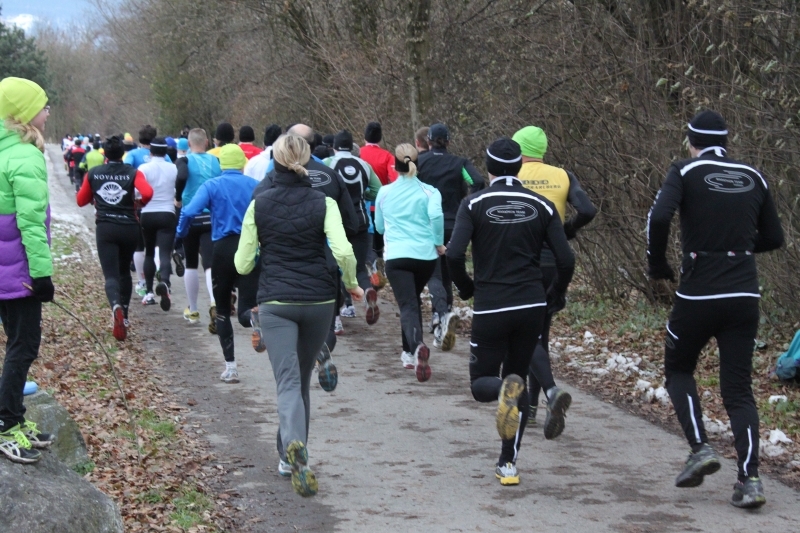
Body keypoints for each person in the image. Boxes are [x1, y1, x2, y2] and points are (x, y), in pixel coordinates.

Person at [647, 110, 783, 509]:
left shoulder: (684, 171)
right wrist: (737, 251)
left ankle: (701, 448)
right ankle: (751, 480)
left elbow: (659, 216)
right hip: (744, 295)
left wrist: (658, 266)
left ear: (692, 141)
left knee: (678, 369)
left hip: (698, 293)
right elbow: (774, 237)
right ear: (727, 141)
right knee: (739, 391)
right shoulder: (753, 175)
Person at [234, 133, 362, 497]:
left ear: (274, 160)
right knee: (302, 379)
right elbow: (344, 250)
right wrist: (351, 283)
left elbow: (242, 264)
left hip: (276, 301)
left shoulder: (259, 203)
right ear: (307, 161)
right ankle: (290, 452)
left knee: (288, 382)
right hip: (319, 300)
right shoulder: (324, 202)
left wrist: (264, 253)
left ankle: (291, 452)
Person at [447, 138, 574, 486]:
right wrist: (555, 293)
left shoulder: (473, 203)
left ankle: (505, 392)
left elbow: (455, 255)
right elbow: (566, 259)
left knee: (481, 385)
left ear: (487, 169)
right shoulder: (542, 204)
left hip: (492, 304)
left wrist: (467, 288)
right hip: (531, 303)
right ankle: (508, 465)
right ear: (519, 168)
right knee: (518, 375)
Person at [511, 125, 597, 438]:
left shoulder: (513, 176)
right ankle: (533, 407)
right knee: (539, 335)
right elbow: (588, 209)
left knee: (523, 335)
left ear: (519, 151)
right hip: (554, 264)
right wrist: (567, 229)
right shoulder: (563, 175)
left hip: (524, 262)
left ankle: (541, 397)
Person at [255, 124, 358, 345]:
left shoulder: (270, 180)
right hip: (324, 266)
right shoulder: (331, 176)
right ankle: (323, 352)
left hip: (278, 272)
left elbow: (254, 222)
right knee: (324, 326)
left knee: (289, 334)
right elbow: (351, 224)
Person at [0, 77, 56, 464]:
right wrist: (41, 275)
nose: (48, 110)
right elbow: (31, 222)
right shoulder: (24, 154)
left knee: (16, 345)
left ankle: (14, 418)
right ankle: (7, 425)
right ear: (23, 113)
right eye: (42, 104)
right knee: (23, 346)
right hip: (16, 271)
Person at [177, 144, 258, 383]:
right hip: (250, 247)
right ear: (243, 163)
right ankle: (254, 320)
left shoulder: (211, 185)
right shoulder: (256, 186)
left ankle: (231, 369)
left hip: (222, 249)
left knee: (222, 311)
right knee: (247, 307)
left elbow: (189, 211)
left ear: (221, 165)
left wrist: (180, 234)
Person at [374, 144, 443, 380]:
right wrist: (439, 242)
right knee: (411, 301)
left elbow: (380, 227)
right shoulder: (431, 192)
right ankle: (408, 352)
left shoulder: (384, 192)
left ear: (395, 164)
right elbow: (435, 216)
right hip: (425, 257)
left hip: (397, 256)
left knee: (408, 305)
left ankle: (416, 349)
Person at [77, 136, 153, 341]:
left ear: (105, 154)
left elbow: (80, 200)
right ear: (123, 153)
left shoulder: (94, 173)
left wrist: (96, 197)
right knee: (124, 272)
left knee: (111, 275)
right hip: (129, 226)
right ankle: (125, 315)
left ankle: (115, 307)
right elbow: (147, 192)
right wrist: (138, 203)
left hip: (106, 227)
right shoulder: (132, 172)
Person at [417, 123, 485, 351]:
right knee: (446, 271)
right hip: (456, 223)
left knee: (433, 273)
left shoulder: (420, 162)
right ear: (448, 141)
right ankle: (441, 321)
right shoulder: (460, 163)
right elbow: (477, 181)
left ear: (428, 141)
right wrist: (468, 203)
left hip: (428, 223)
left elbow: (410, 184)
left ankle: (442, 315)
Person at [324, 130, 383, 324]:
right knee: (357, 268)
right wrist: (362, 196)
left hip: (336, 223)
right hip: (360, 222)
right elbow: (377, 189)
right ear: (352, 147)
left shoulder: (328, 164)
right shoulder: (364, 165)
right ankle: (367, 292)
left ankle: (336, 317)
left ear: (333, 147)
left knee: (334, 269)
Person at [174, 128, 220, 329]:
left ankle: (193, 309)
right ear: (207, 142)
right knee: (209, 263)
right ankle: (214, 301)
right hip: (211, 216)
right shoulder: (215, 162)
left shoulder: (185, 161)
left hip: (191, 215)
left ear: (189, 144)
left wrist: (177, 198)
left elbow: (181, 178)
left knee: (191, 262)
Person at [138, 137, 178, 311]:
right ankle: (165, 283)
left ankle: (148, 292)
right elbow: (177, 190)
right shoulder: (174, 168)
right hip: (167, 212)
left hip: (147, 212)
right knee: (164, 253)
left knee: (148, 253)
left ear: (151, 152)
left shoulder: (143, 168)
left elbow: (137, 192)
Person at [359, 121, 397, 290]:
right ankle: (377, 273)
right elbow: (395, 179)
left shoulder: (357, 153)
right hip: (380, 207)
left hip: (360, 206)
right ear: (380, 138)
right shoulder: (388, 156)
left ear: (364, 136)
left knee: (363, 246)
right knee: (378, 245)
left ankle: (367, 274)